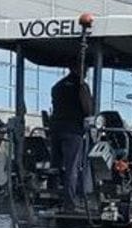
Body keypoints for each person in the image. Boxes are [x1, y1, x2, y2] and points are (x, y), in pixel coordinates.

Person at [49, 64, 94, 212]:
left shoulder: (57, 86)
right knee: (72, 167)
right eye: (85, 70)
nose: (86, 73)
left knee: (55, 166)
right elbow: (88, 110)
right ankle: (70, 203)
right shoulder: (82, 87)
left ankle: (52, 196)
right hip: (73, 131)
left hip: (55, 129)